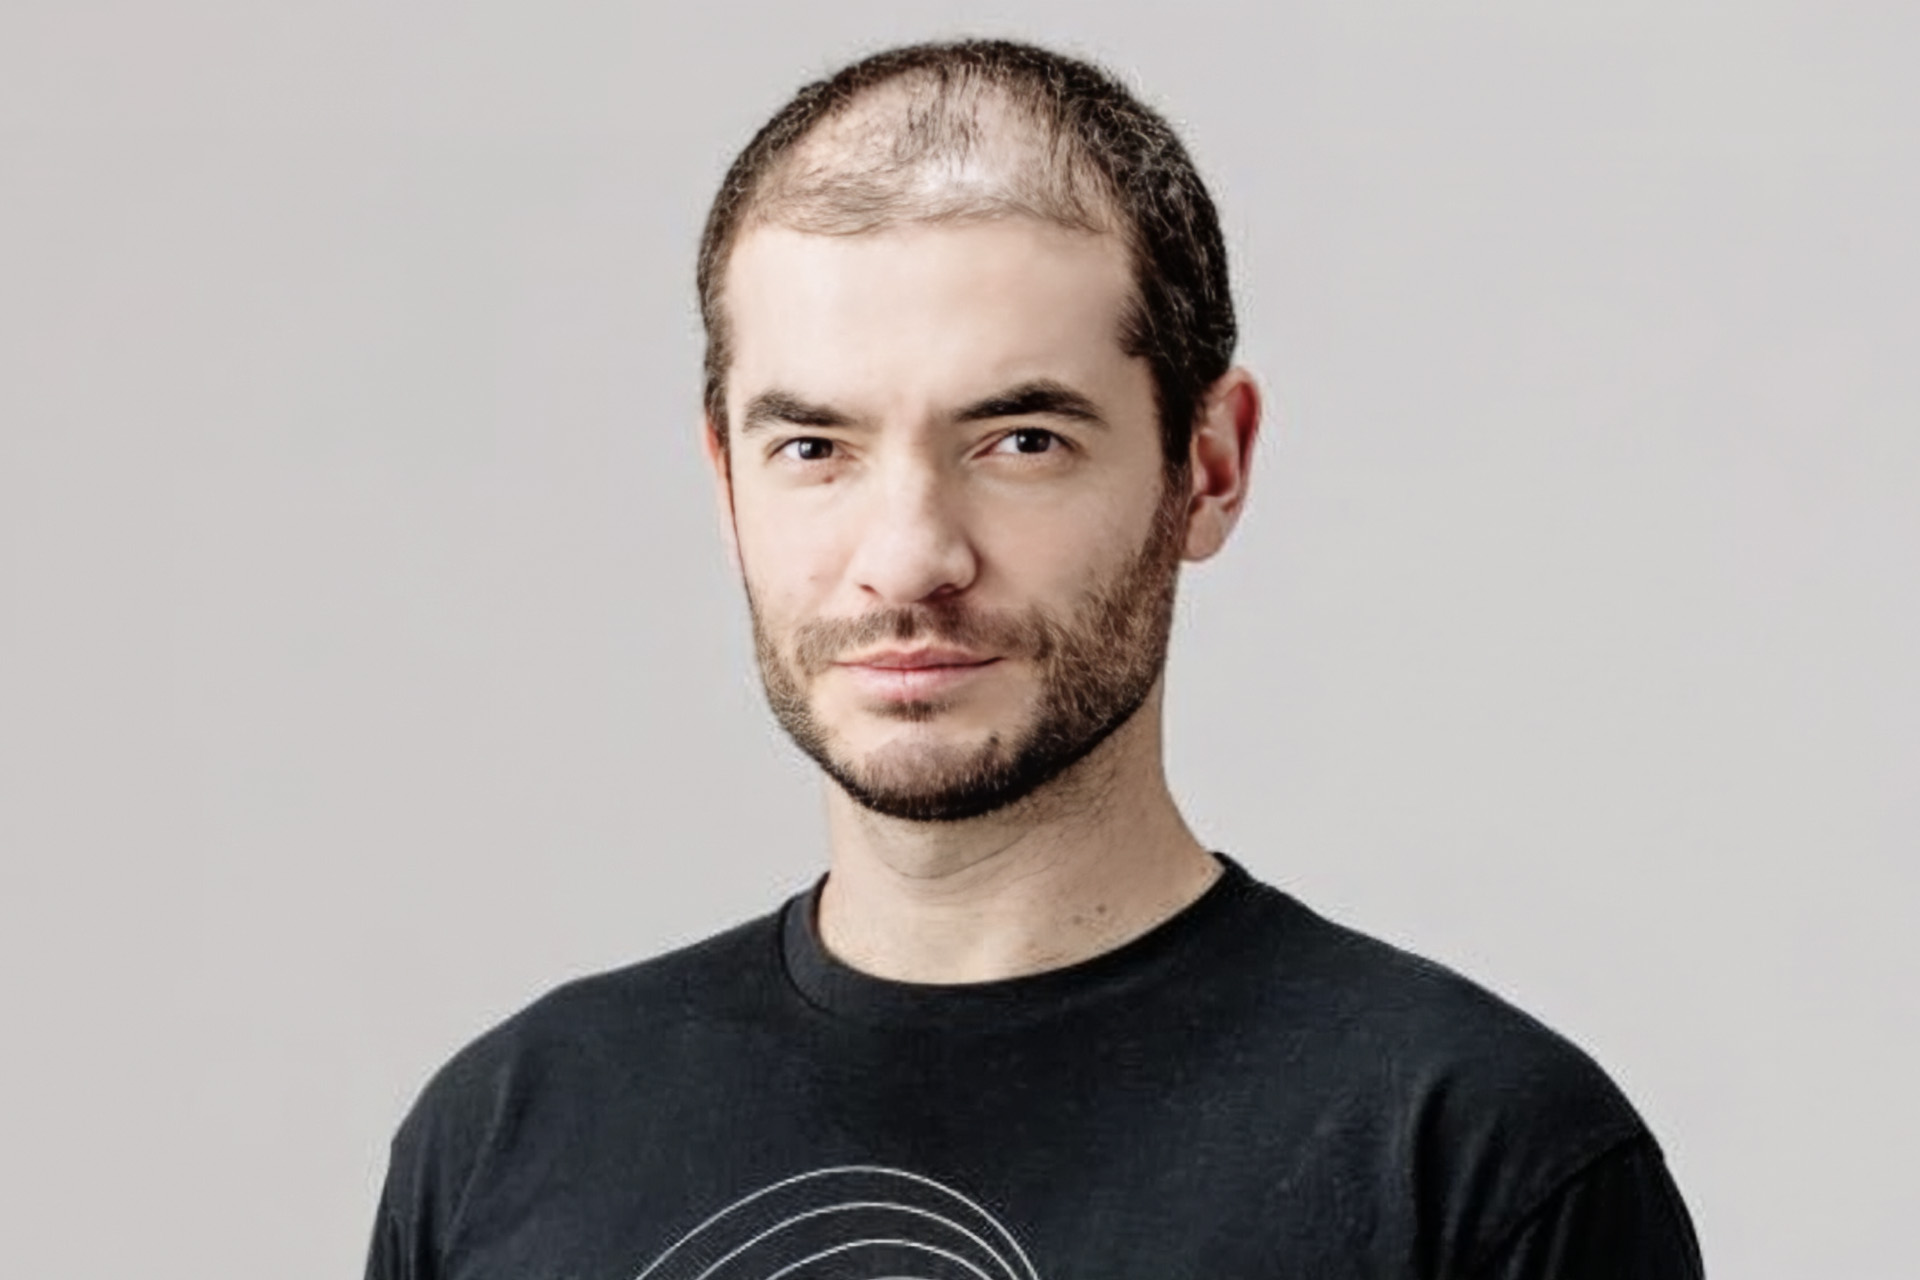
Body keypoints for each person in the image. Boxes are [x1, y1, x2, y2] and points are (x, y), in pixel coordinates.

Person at [366, 38, 1704, 1280]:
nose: (909, 559)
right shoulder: (504, 1135)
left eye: (1021, 443)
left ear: (1209, 466)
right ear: (726, 483)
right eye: (815, 448)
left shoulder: (1476, 1165)